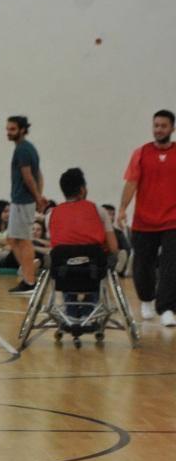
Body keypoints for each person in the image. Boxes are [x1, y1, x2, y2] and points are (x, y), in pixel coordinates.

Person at [118, 109, 176, 326]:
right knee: (142, 265)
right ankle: (146, 300)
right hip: (144, 220)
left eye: (163, 126)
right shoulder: (141, 153)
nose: (158, 129)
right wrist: (123, 208)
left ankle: (168, 308)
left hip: (172, 220)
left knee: (172, 265)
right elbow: (131, 183)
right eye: (156, 125)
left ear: (172, 128)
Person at [46, 168, 119, 316]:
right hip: (92, 268)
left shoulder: (51, 214)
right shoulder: (99, 210)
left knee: (64, 262)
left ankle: (71, 308)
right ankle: (90, 309)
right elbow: (113, 247)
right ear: (82, 189)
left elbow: (55, 244)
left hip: (64, 270)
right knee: (105, 259)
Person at [5, 115, 48, 294]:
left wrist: (37, 198)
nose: (8, 132)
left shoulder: (23, 149)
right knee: (12, 239)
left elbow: (28, 176)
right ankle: (28, 273)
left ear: (22, 129)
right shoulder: (27, 148)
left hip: (23, 201)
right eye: (7, 129)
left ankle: (29, 281)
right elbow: (39, 174)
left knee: (24, 241)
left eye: (12, 129)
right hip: (21, 200)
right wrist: (39, 195)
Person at [101, 204, 132, 275]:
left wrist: (118, 251)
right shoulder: (95, 231)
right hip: (101, 256)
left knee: (121, 254)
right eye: (108, 214)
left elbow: (127, 249)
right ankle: (118, 270)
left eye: (113, 214)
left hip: (115, 256)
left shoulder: (118, 232)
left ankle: (121, 270)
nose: (111, 217)